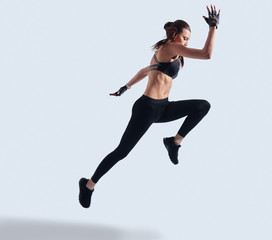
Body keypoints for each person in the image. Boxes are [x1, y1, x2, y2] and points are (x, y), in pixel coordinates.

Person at [79, 5, 220, 208]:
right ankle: (89, 185)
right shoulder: (170, 48)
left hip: (163, 108)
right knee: (122, 152)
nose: (187, 42)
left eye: (189, 39)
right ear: (174, 35)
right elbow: (207, 54)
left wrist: (125, 87)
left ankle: (174, 141)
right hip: (146, 109)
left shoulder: (165, 53)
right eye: (185, 37)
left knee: (202, 106)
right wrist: (213, 27)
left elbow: (145, 70)